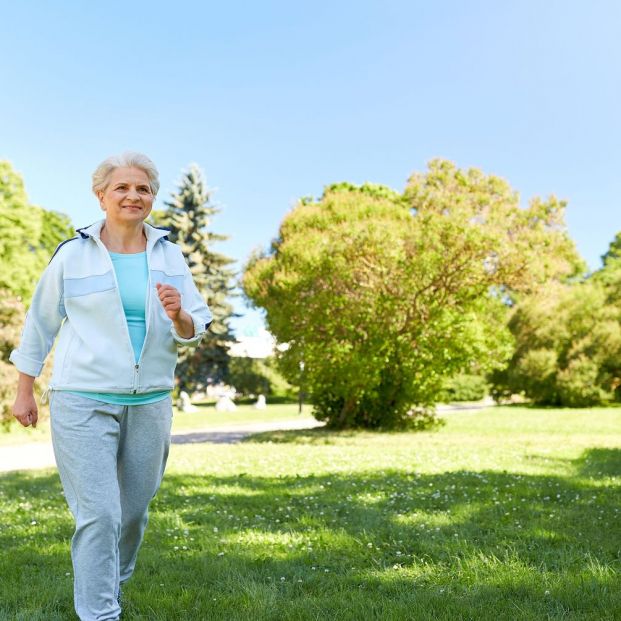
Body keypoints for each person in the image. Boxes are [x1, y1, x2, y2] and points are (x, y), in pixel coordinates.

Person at [10, 152, 212, 621]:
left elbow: (195, 324)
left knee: (133, 515)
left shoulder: (169, 255)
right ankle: (99, 612)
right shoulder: (73, 255)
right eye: (122, 187)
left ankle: (110, 585)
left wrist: (179, 313)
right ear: (101, 196)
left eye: (142, 189)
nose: (132, 196)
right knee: (100, 514)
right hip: (82, 399)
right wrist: (24, 389)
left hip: (151, 402)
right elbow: (40, 323)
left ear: (151, 199)